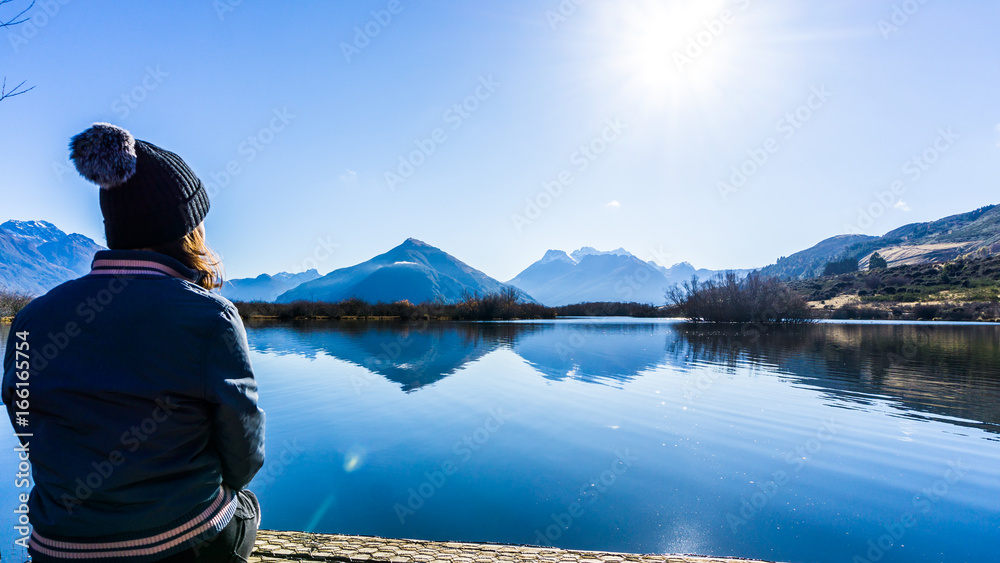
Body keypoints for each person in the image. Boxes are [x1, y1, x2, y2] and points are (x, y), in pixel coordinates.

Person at [2, 123, 266, 562]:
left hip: (59, 547)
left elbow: (25, 420)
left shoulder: (32, 316)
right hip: (180, 545)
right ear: (188, 229)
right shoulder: (209, 316)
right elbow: (244, 453)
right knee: (247, 507)